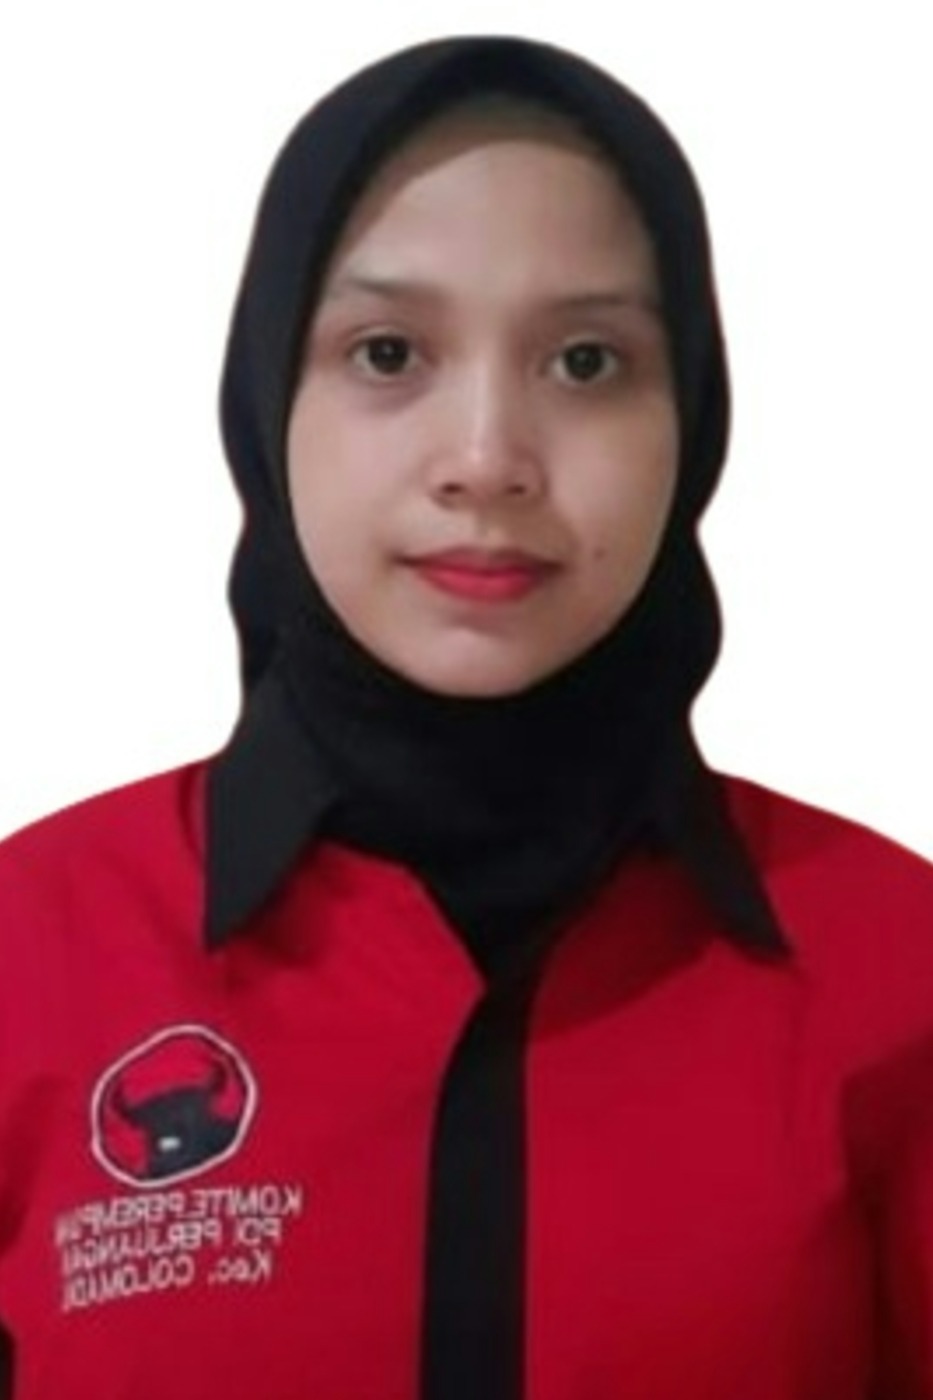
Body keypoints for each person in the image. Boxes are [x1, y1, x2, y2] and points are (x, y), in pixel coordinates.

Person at [0, 32, 931, 1400]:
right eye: (387, 351)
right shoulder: (31, 945)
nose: (488, 459)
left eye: (586, 363)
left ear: (691, 420)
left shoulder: (897, 962)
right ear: (267, 399)